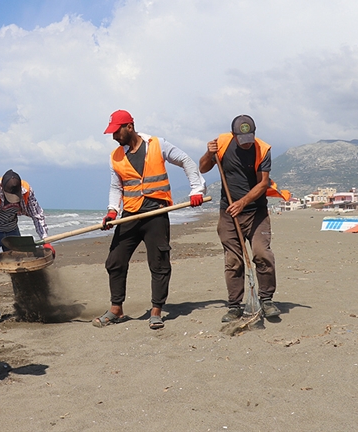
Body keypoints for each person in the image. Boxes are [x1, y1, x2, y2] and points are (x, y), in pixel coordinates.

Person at [95, 110, 206, 330]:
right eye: (112, 133)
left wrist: (197, 189)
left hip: (155, 212)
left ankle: (156, 310)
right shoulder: (115, 156)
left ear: (129, 126)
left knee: (159, 263)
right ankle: (116, 308)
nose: (114, 137)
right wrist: (111, 211)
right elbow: (116, 186)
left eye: (117, 131)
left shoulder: (157, 144)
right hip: (131, 214)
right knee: (115, 261)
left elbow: (185, 160)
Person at [198, 114, 290, 322]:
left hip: (256, 212)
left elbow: (263, 184)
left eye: (250, 139)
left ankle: (266, 299)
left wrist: (243, 203)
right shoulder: (221, 143)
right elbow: (203, 168)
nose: (247, 144)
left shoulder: (262, 149)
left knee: (261, 253)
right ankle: (234, 305)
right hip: (229, 213)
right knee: (233, 261)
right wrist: (208, 153)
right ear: (234, 135)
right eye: (242, 140)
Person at [0, 169, 52, 327]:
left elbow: (37, 215)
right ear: (3, 189)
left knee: (18, 270)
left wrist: (46, 240)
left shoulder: (26, 190)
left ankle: (23, 308)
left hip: (12, 231)